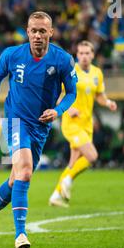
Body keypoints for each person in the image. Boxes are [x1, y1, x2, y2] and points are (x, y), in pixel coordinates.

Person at [0, 11, 78, 248]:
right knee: (24, 172)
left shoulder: (62, 60)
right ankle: (21, 234)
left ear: (51, 33)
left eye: (43, 31)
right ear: (27, 32)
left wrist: (58, 110)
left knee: (16, 179)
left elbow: (72, 92)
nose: (37, 36)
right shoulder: (12, 55)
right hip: (15, 121)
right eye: (33, 31)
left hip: (40, 127)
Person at [49, 40, 118, 207]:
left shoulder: (97, 73)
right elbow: (57, 94)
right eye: (81, 53)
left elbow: (99, 95)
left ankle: (56, 195)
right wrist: (67, 108)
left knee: (75, 162)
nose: (84, 56)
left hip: (87, 124)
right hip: (71, 123)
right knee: (92, 156)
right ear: (77, 55)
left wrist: (107, 102)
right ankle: (67, 181)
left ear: (93, 55)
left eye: (87, 53)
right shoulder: (71, 71)